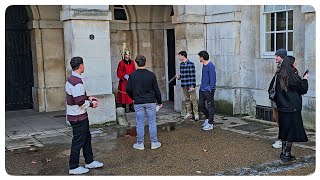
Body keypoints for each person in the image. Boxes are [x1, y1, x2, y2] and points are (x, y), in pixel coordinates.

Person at [65, 57, 103, 175]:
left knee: (86, 139)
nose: (84, 67)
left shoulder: (72, 79)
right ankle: (73, 166)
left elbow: (79, 97)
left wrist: (88, 97)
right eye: (83, 65)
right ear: (81, 66)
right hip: (78, 117)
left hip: (79, 116)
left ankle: (89, 161)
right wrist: (92, 104)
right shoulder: (76, 82)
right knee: (78, 142)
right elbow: (79, 102)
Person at [273, 57, 308, 162]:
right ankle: (287, 153)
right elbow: (303, 89)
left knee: (284, 129)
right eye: (294, 63)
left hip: (282, 108)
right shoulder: (293, 76)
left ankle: (283, 152)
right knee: (291, 131)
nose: (295, 64)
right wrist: (305, 79)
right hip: (292, 108)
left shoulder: (279, 75)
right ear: (291, 64)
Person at [126, 55, 163, 150]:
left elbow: (128, 89)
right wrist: (159, 102)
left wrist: (133, 98)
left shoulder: (132, 75)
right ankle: (154, 142)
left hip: (138, 102)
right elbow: (157, 90)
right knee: (152, 122)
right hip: (150, 101)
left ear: (136, 63)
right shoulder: (151, 75)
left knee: (140, 123)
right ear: (145, 62)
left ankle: (140, 143)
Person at [269, 48, 287, 149]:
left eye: (277, 56)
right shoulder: (279, 67)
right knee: (276, 117)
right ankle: (282, 138)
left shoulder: (285, 68)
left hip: (280, 98)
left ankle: (282, 139)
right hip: (276, 97)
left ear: (282, 57)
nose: (275, 57)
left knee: (281, 119)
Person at [175, 51, 199, 121]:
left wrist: (192, 86)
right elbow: (182, 75)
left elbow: (193, 75)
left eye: (179, 56)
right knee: (187, 99)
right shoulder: (181, 64)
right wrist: (178, 77)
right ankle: (189, 113)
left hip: (190, 85)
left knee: (193, 99)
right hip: (184, 84)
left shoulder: (191, 64)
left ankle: (196, 114)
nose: (179, 57)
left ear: (183, 56)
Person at [198, 51, 216, 131]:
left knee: (210, 107)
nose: (199, 58)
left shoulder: (210, 65)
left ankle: (210, 123)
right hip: (202, 89)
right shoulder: (204, 65)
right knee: (201, 105)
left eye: (200, 57)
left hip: (208, 90)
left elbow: (213, 78)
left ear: (203, 57)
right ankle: (208, 118)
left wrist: (210, 88)